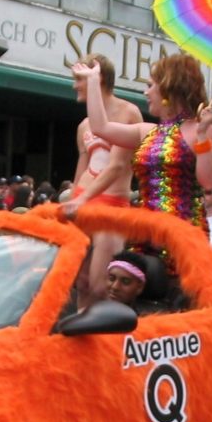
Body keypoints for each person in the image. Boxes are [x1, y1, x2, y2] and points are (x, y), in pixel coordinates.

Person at [73, 53, 212, 230]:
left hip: (184, 235)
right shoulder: (147, 132)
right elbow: (100, 127)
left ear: (168, 89)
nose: (146, 92)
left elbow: (210, 181)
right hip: (146, 231)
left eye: (150, 86)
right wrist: (93, 81)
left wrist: (203, 135)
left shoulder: (201, 130)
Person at [60, 53, 143, 307]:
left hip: (111, 207)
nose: (75, 85)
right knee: (81, 281)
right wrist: (75, 198)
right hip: (83, 203)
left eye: (79, 79)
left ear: (99, 79)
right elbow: (82, 166)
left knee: (101, 285)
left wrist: (83, 198)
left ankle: (103, 341)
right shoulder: (84, 125)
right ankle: (79, 338)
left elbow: (117, 166)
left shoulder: (129, 112)